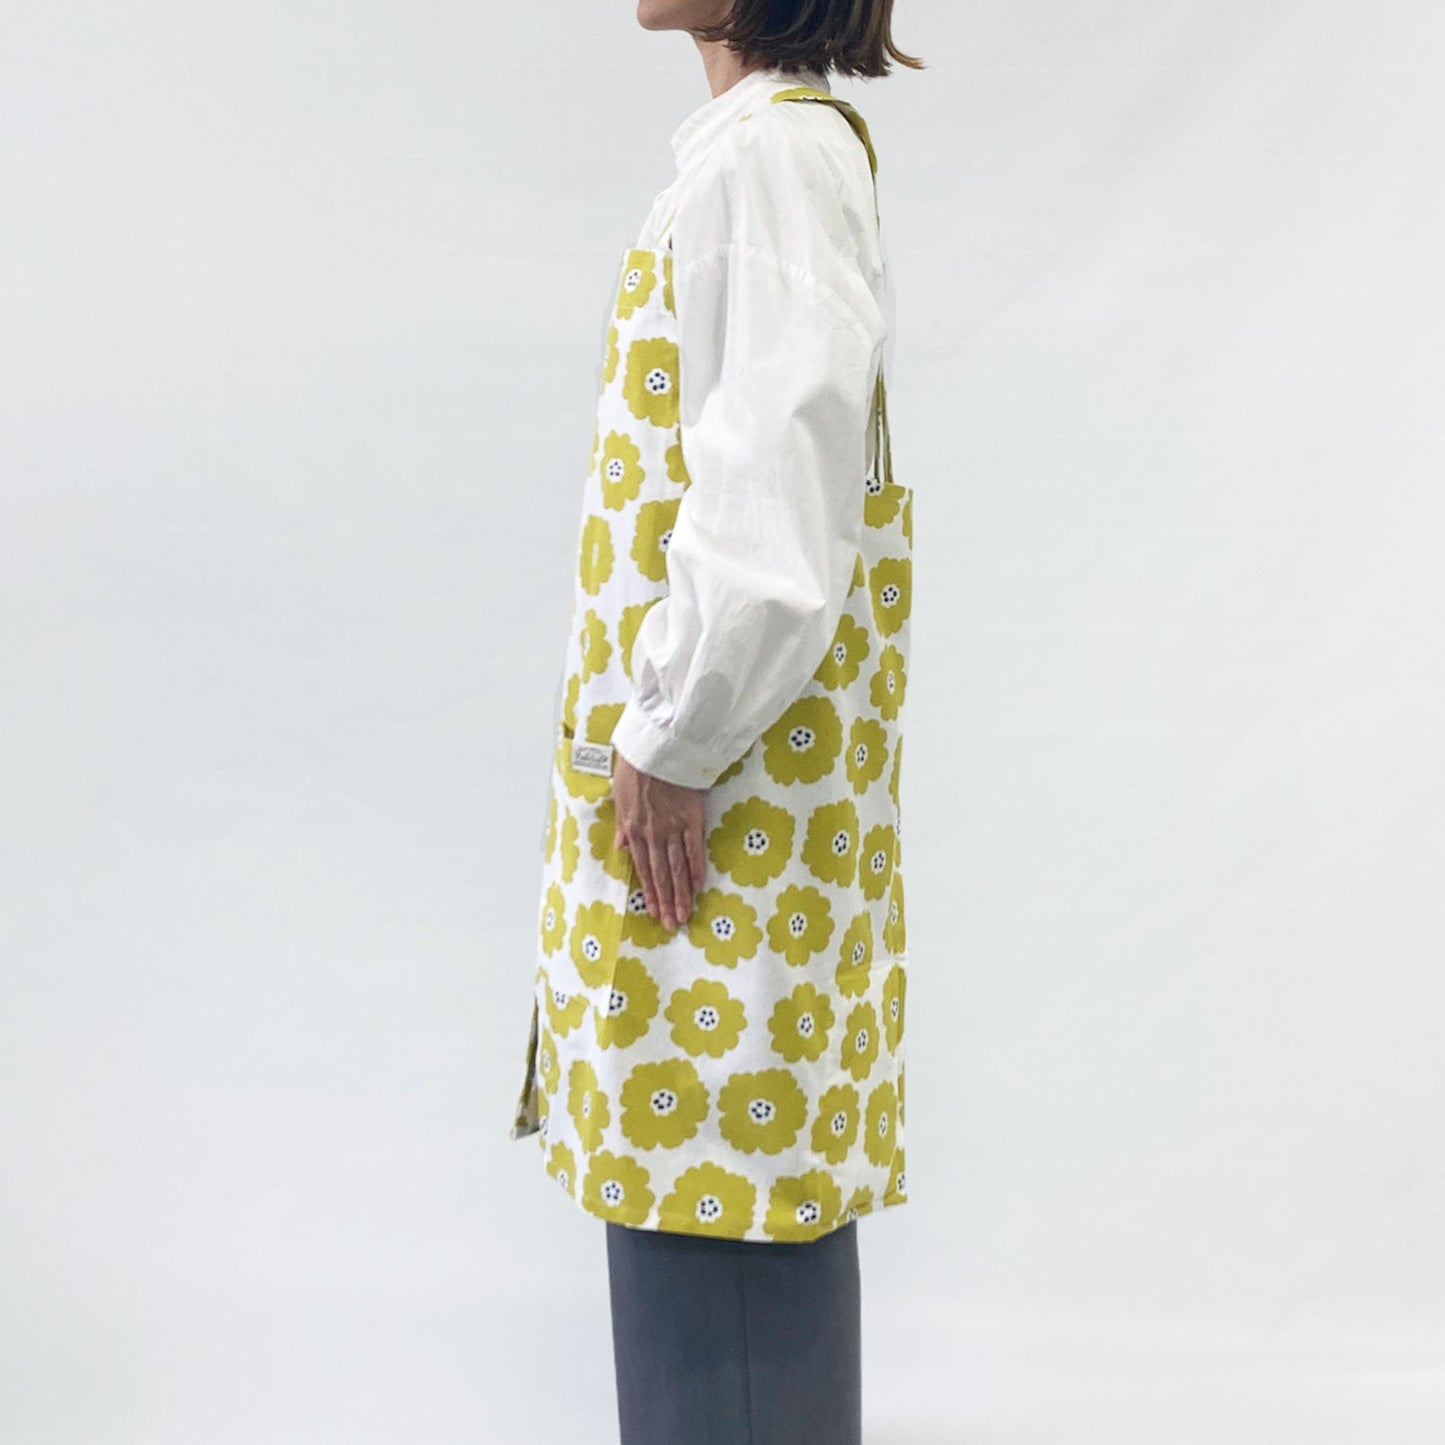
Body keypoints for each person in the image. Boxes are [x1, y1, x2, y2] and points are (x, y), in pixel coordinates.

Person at [510, 1, 921, 1438]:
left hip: (723, 819)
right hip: (738, 815)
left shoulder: (770, 162)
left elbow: (774, 506)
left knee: (720, 1224)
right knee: (714, 1216)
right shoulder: (763, 154)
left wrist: (672, 738)